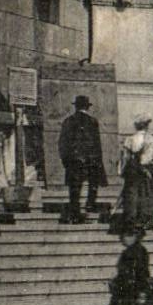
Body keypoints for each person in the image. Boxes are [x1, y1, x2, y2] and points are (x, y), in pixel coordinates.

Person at [58, 94, 106, 224]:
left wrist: (66, 160)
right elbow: (97, 143)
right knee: (93, 184)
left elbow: (62, 143)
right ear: (87, 107)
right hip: (91, 159)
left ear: (76, 107)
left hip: (74, 160)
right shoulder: (92, 121)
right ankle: (90, 205)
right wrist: (98, 161)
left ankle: (75, 212)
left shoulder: (68, 121)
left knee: (74, 187)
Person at [119, 116, 153, 230]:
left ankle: (131, 220)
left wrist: (122, 170)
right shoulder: (151, 139)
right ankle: (145, 219)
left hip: (131, 169)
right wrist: (144, 168)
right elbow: (147, 157)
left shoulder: (129, 139)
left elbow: (125, 157)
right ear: (146, 126)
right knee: (146, 193)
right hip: (143, 169)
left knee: (131, 193)